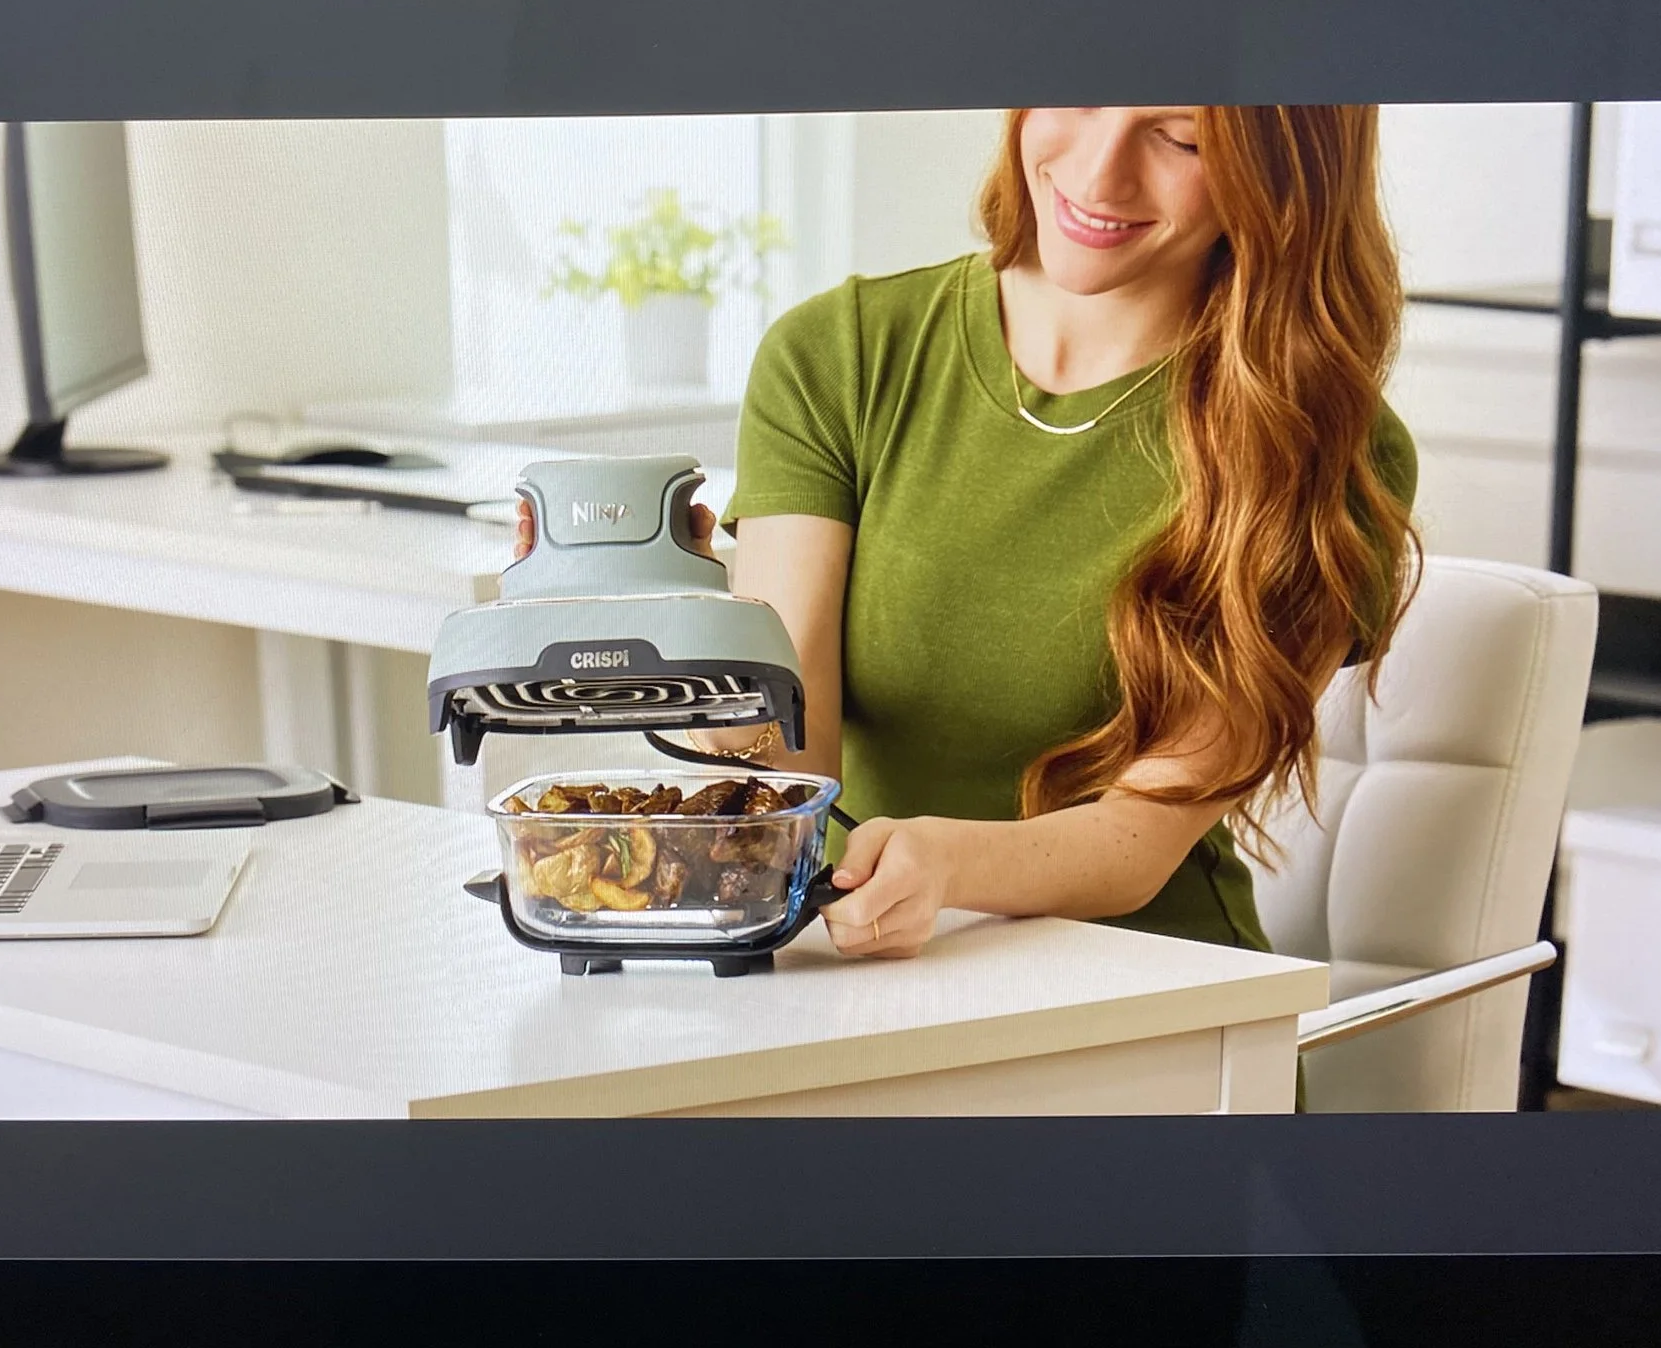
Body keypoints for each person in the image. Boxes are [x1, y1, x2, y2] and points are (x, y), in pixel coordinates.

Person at [517, 105, 1419, 959]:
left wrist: (947, 866)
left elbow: (1136, 839)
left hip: (1153, 999)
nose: (1099, 174)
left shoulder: (1323, 447)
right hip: (867, 978)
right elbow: (790, 759)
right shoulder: (842, 356)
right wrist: (686, 631)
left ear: (1286, 173)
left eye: (1179, 139)